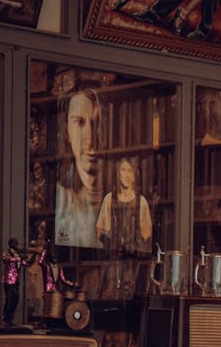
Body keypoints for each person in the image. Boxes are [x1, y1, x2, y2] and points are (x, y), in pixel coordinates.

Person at [55, 85, 103, 249]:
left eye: (96, 123)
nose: (89, 138)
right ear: (67, 131)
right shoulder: (61, 200)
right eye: (80, 122)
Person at [96, 157, 153, 255]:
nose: (127, 175)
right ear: (118, 174)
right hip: (113, 258)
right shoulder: (109, 199)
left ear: (134, 175)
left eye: (130, 171)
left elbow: (147, 236)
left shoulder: (142, 202)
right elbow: (100, 231)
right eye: (123, 170)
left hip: (135, 259)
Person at [1, 237, 32, 325]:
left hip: (16, 280)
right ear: (11, 244)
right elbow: (6, 258)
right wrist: (19, 258)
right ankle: (5, 318)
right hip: (8, 279)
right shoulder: (7, 252)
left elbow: (26, 264)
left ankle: (10, 318)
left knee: (16, 299)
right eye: (15, 243)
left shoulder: (17, 254)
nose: (17, 245)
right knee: (9, 299)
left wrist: (33, 258)